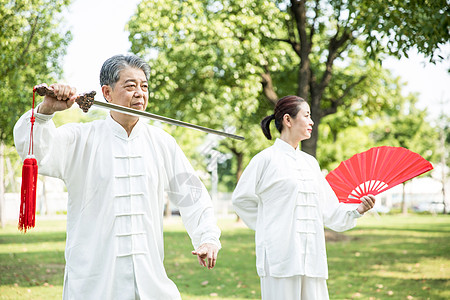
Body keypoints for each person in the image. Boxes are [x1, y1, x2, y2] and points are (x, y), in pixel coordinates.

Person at [14, 54, 221, 300]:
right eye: (130, 86)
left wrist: (207, 237)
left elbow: (192, 195)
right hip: (95, 280)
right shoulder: (80, 139)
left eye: (144, 86)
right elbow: (37, 153)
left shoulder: (162, 143)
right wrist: (46, 111)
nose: (140, 93)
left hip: (149, 280)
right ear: (107, 93)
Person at [231, 95, 375, 300]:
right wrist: (270, 227)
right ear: (288, 120)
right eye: (306, 116)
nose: (311, 122)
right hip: (279, 256)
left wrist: (358, 209)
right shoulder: (265, 160)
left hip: (312, 256)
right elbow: (241, 199)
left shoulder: (311, 163)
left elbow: (328, 207)